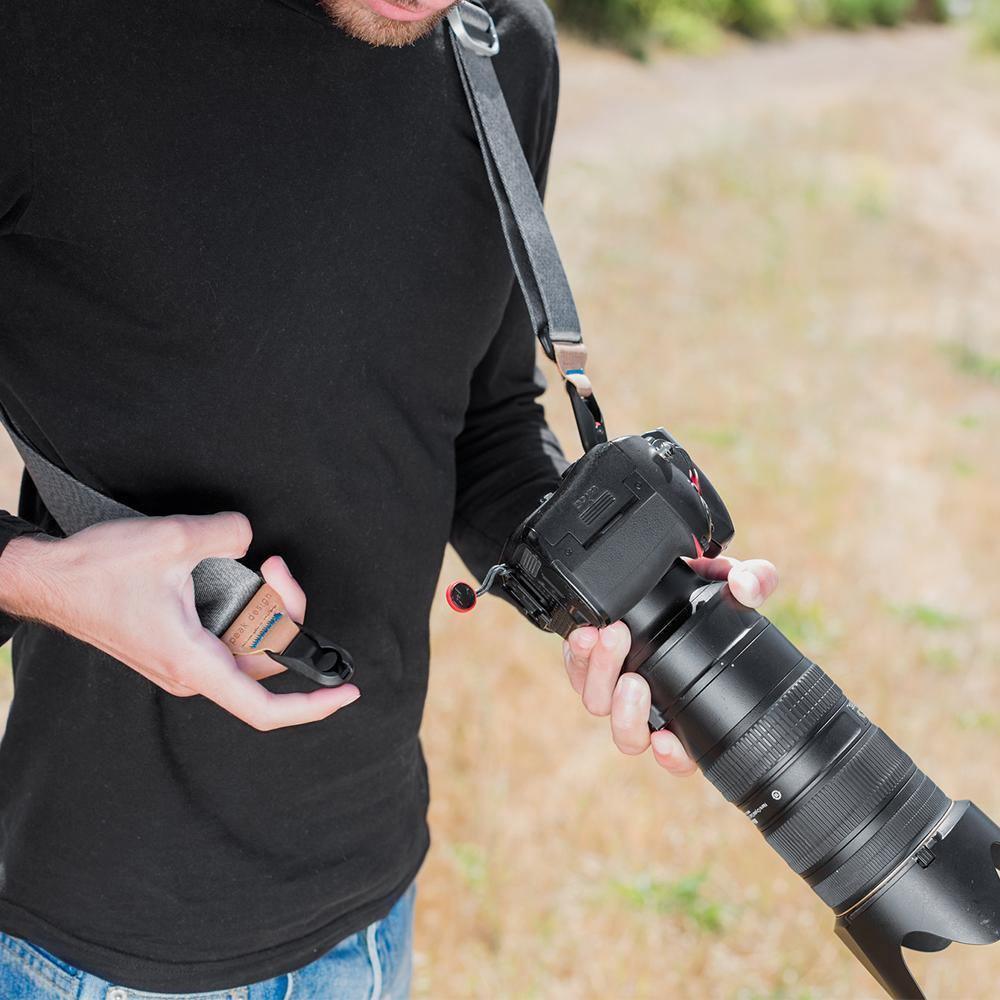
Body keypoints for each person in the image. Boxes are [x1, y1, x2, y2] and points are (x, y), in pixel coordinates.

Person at [0, 0, 777, 996]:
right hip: (103, 942)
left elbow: (484, 418)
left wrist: (629, 591)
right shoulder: (43, 36)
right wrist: (40, 579)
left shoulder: (500, 48)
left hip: (370, 902)